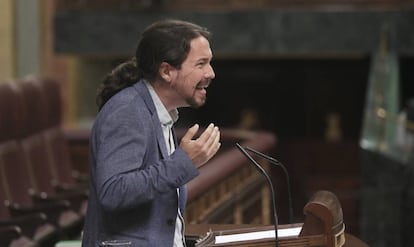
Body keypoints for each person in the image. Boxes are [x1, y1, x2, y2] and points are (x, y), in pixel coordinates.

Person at [81, 19, 221, 247]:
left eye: (210, 63)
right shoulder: (128, 111)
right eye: (201, 64)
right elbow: (113, 192)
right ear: (167, 71)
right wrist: (183, 163)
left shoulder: (160, 113)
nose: (211, 73)